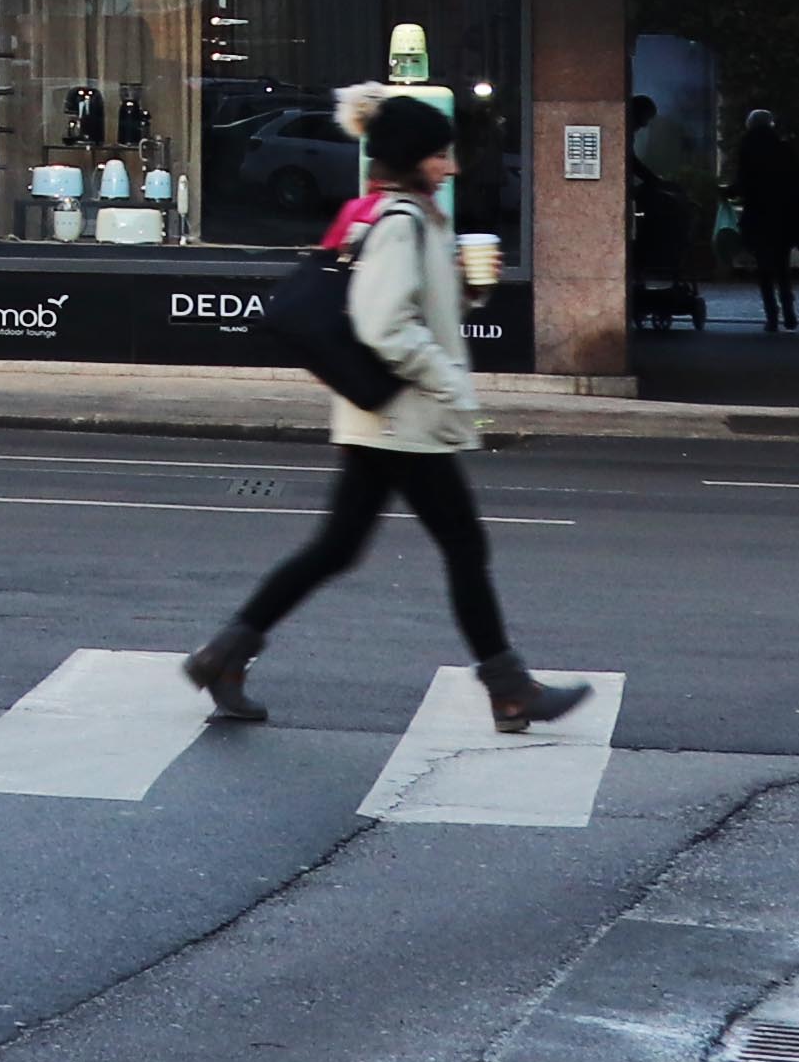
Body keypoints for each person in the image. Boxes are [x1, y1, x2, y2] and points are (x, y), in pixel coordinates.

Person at [184, 88, 593, 735]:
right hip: (403, 419)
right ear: (411, 157)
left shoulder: (407, 217)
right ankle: (510, 690)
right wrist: (448, 383)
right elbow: (383, 326)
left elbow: (412, 310)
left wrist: (466, 290)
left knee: (338, 548)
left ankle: (224, 653)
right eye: (439, 155)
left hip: (383, 417)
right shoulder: (401, 223)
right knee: (461, 545)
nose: (450, 166)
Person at [732, 105, 799, 332]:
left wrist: (729, 192)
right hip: (784, 215)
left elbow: (743, 182)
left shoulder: (747, 148)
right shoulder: (784, 148)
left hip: (758, 215)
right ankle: (789, 311)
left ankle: (772, 317)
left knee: (764, 268)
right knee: (782, 265)